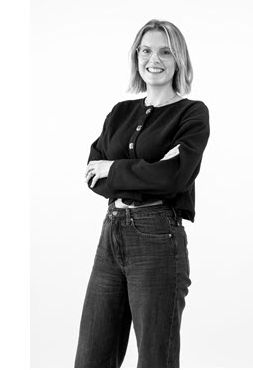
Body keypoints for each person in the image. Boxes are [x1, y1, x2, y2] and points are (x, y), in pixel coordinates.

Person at [75, 19, 210, 368]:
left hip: (157, 234)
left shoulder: (192, 113)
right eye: (146, 50)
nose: (155, 59)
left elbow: (174, 177)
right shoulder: (120, 112)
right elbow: (93, 176)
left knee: (155, 359)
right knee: (91, 357)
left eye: (166, 52)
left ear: (179, 59)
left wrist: (114, 168)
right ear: (136, 56)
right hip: (111, 232)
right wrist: (146, 171)